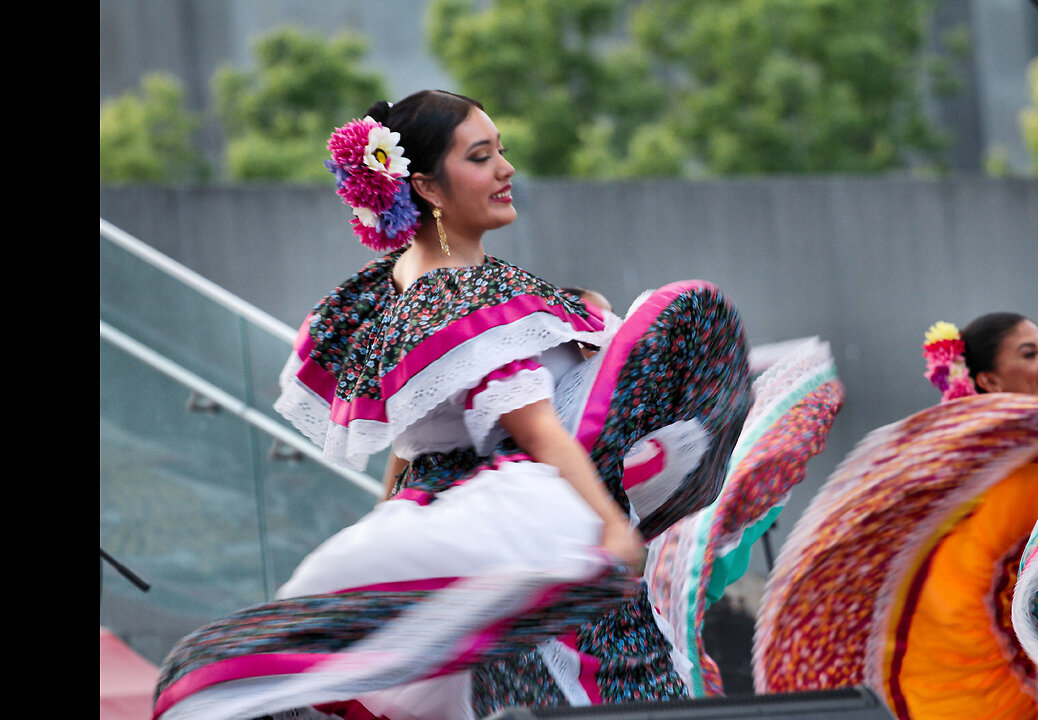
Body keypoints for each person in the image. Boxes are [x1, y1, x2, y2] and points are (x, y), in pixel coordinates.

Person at [152, 90, 752, 720]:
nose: (505, 169)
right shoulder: (459, 295)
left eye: (502, 151)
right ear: (429, 189)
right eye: (481, 155)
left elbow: (409, 446)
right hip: (526, 525)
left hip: (470, 523)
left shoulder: (396, 288)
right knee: (596, 686)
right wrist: (607, 526)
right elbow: (538, 429)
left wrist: (390, 525)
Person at [755, 316, 1038, 720]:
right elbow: (966, 586)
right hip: (988, 670)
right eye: (1030, 353)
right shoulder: (967, 477)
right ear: (988, 380)